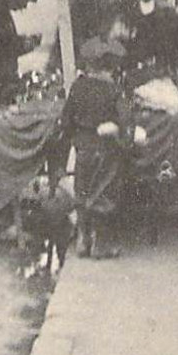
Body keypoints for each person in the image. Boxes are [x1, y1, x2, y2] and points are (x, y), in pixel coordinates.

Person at [63, 26, 138, 258]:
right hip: (105, 148)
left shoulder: (77, 87)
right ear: (110, 66)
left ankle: (83, 240)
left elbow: (66, 120)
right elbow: (126, 121)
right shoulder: (113, 90)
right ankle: (101, 244)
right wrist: (125, 139)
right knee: (104, 192)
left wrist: (75, 138)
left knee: (83, 191)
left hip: (83, 148)